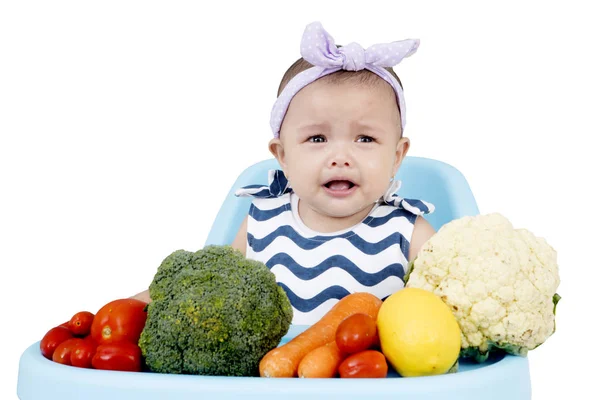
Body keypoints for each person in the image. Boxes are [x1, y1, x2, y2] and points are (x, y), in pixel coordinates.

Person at [133, 21, 437, 324]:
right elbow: (204, 285)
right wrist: (131, 308)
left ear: (397, 156)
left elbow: (451, 312)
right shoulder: (262, 220)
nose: (341, 158)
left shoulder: (409, 233)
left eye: (365, 139)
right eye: (317, 139)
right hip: (269, 370)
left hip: (370, 371)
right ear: (283, 156)